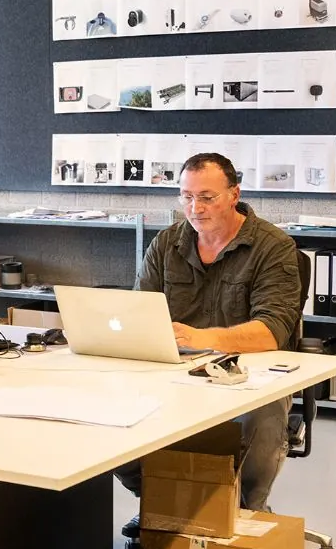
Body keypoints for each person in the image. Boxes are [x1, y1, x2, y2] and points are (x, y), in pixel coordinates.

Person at [118, 152, 303, 517]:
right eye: (186, 196)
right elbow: (142, 315)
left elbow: (271, 331)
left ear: (234, 194)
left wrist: (201, 338)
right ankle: (168, 496)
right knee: (111, 413)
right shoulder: (166, 244)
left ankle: (246, 510)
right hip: (172, 369)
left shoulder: (272, 246)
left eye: (207, 197)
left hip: (248, 375)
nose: (194, 207)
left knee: (263, 417)